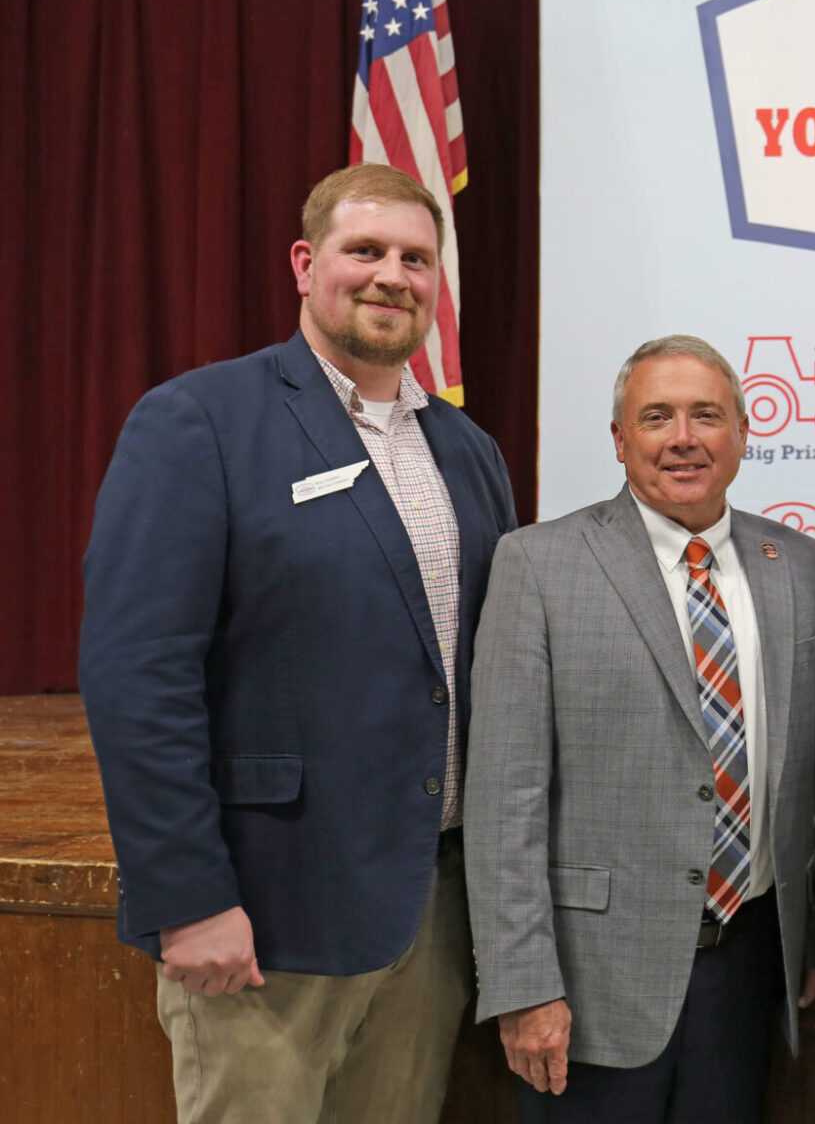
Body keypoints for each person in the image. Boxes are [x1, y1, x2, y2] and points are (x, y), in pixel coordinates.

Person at [78, 163, 517, 1123]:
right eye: (365, 251)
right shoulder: (200, 422)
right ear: (306, 262)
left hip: (429, 916)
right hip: (264, 916)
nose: (390, 276)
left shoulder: (468, 450)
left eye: (415, 257)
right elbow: (136, 678)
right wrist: (187, 897)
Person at [464, 335, 815, 1123]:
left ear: (744, 435)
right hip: (587, 985)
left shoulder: (803, 567)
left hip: (749, 969)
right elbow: (504, 798)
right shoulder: (537, 566)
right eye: (656, 416)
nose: (683, 437)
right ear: (620, 439)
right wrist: (524, 985)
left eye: (707, 415)